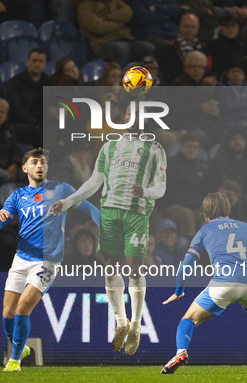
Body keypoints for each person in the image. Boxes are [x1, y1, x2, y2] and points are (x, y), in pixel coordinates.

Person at [52, 107, 167, 356]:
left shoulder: (155, 149)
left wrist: (145, 192)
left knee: (134, 268)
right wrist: (69, 202)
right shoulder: (109, 146)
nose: (133, 118)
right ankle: (121, 323)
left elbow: (161, 186)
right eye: (128, 114)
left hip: (135, 213)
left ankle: (136, 326)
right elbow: (94, 181)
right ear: (123, 119)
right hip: (110, 212)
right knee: (110, 267)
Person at [0, 147, 99, 371]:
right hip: (20, 260)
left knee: (23, 309)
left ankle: (15, 360)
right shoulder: (18, 196)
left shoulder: (62, 189)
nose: (40, 166)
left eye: (43, 162)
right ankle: (20, 347)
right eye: (34, 162)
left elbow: (89, 209)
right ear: (25, 168)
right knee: (7, 314)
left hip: (47, 261)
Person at [160, 192, 247, 375]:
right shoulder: (246, 227)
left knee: (189, 319)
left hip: (224, 283)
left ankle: (181, 352)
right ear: (228, 209)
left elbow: (186, 266)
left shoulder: (204, 230)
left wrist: (179, 290)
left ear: (204, 213)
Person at [76, 0, 154, 67]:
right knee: (121, 49)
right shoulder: (84, 6)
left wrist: (107, 18)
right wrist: (120, 23)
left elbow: (128, 13)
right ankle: (119, 77)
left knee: (148, 47)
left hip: (126, 39)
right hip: (103, 44)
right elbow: (99, 27)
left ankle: (146, 76)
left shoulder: (116, 1)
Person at [4, 48, 48, 147]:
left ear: (45, 64)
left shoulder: (49, 82)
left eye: (41, 61)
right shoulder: (14, 83)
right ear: (28, 62)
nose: (37, 64)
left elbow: (52, 107)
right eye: (34, 61)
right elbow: (17, 110)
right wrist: (37, 124)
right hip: (21, 123)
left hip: (43, 124)